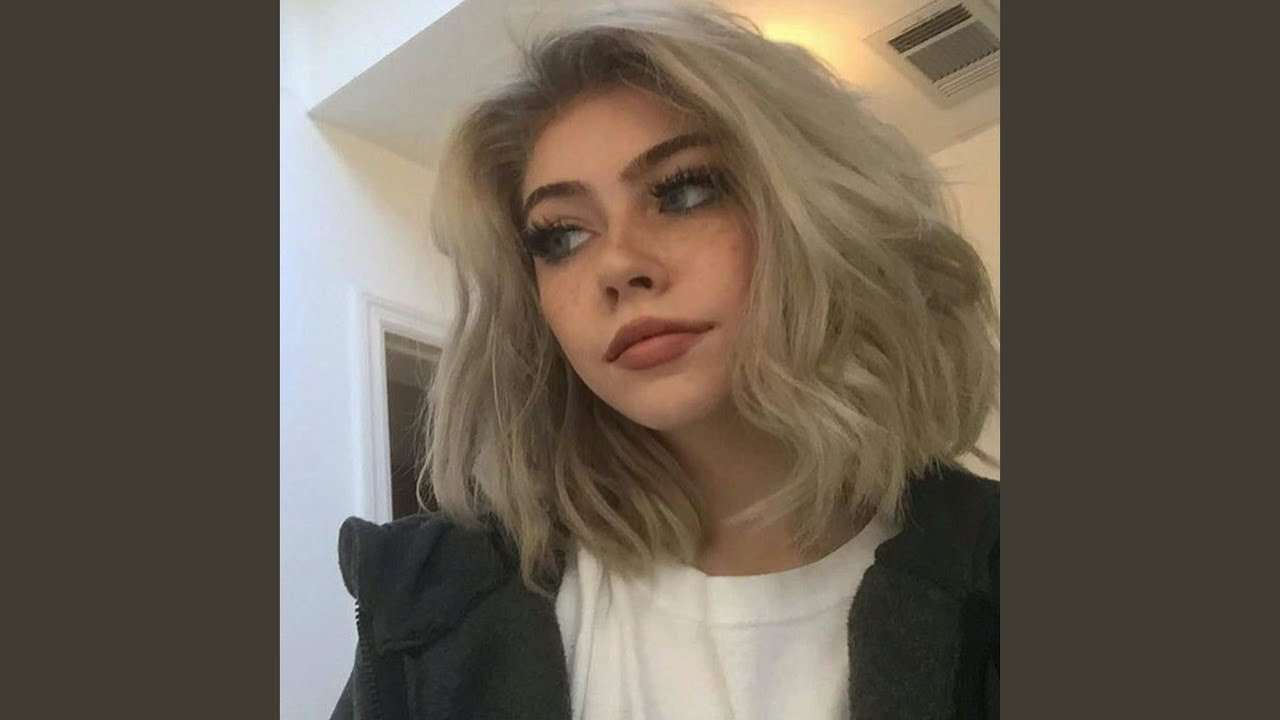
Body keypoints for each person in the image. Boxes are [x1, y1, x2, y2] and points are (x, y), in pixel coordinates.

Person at [331, 2, 999, 718]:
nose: (618, 265)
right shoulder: (432, 608)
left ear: (816, 214)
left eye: (684, 192)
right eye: (561, 237)